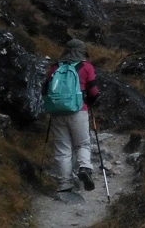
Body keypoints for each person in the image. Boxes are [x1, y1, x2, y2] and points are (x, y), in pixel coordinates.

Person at [43, 39, 100, 194]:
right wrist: (89, 102)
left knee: (62, 149)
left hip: (57, 113)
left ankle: (64, 184)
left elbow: (45, 90)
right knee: (82, 144)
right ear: (82, 52)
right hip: (79, 110)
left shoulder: (55, 67)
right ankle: (85, 167)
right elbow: (94, 92)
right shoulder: (87, 67)